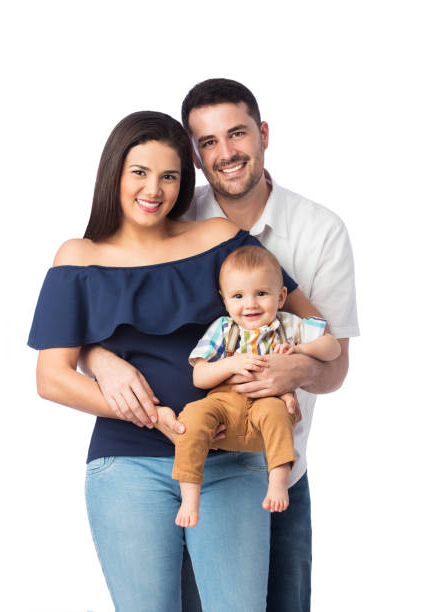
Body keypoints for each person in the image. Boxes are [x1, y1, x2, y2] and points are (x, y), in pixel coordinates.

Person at [83, 79, 359, 612]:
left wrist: (293, 372)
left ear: (263, 134)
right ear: (194, 153)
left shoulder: (320, 231)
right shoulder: (174, 214)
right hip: (176, 457)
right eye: (208, 142)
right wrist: (98, 358)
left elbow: (335, 361)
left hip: (276, 465)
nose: (226, 153)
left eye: (238, 134)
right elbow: (108, 305)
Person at [28, 110, 318, 611]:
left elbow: (306, 324)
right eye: (139, 172)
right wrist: (142, 405)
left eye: (170, 175)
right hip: (126, 466)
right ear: (114, 174)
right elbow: (52, 379)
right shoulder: (77, 258)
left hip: (227, 460)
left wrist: (281, 375)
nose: (154, 189)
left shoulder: (217, 238)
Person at [174, 245, 341, 528]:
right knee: (191, 416)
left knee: (277, 415)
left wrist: (302, 349)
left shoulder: (289, 325)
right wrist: (229, 365)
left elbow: (333, 347)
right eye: (238, 296)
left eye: (261, 294)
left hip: (268, 402)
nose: (250, 304)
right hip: (226, 402)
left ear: (281, 296)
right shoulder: (224, 328)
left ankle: (277, 481)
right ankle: (190, 495)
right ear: (225, 301)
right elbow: (199, 376)